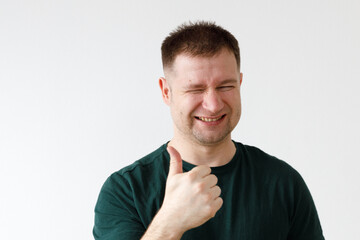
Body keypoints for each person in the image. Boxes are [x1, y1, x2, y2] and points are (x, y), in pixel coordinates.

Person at [93, 21, 325, 240]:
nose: (213, 104)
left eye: (226, 86)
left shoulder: (284, 183)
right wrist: (170, 223)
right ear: (166, 92)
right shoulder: (125, 190)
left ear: (240, 83)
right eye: (195, 89)